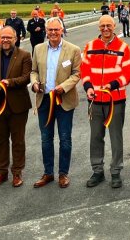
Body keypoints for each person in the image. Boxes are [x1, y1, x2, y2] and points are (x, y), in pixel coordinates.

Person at [81, 15, 130, 188]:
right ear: (99, 27)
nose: (105, 28)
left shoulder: (123, 47)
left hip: (115, 100)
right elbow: (85, 70)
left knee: (115, 137)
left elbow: (127, 73)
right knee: (96, 137)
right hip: (95, 100)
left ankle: (116, 171)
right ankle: (97, 171)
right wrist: (88, 86)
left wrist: (112, 85)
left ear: (114, 26)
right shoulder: (89, 46)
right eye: (102, 25)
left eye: (108, 25)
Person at [30, 17, 82, 189]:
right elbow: (33, 71)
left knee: (65, 138)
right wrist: (35, 83)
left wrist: (63, 87)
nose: (53, 33)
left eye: (56, 30)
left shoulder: (73, 50)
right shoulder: (38, 49)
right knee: (46, 139)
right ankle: (48, 173)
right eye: (50, 30)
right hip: (44, 99)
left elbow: (76, 74)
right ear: (46, 30)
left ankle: (63, 174)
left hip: (64, 99)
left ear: (62, 30)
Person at [0, 26, 32, 187]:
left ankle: (17, 172)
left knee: (18, 140)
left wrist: (9, 83)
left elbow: (26, 78)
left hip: (17, 105)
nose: (5, 40)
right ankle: (1, 171)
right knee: (0, 140)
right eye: (3, 37)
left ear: (15, 39)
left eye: (9, 37)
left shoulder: (24, 55)